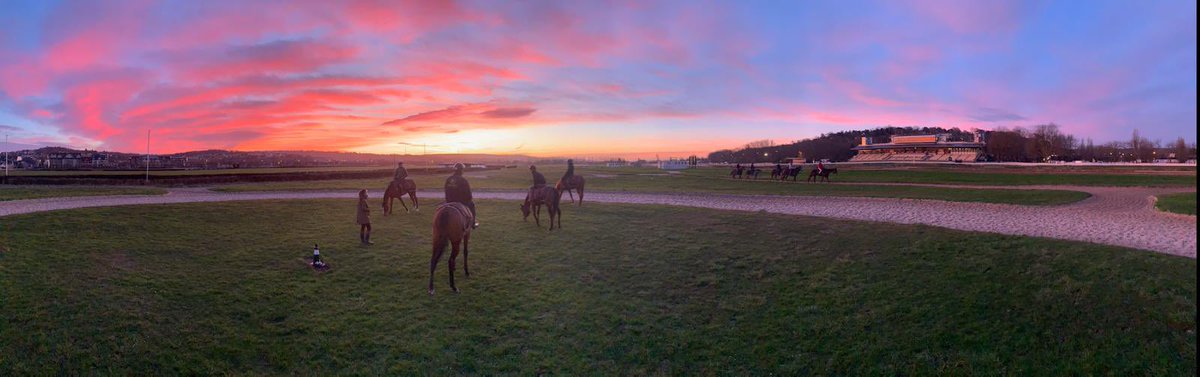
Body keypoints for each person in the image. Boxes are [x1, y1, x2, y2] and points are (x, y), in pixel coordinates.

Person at [444, 163, 478, 228]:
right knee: (472, 205)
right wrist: (469, 199)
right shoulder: (463, 180)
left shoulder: (449, 179)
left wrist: (448, 200)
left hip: (449, 202)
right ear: (461, 170)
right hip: (461, 202)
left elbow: (446, 191)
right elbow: (468, 194)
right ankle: (473, 223)